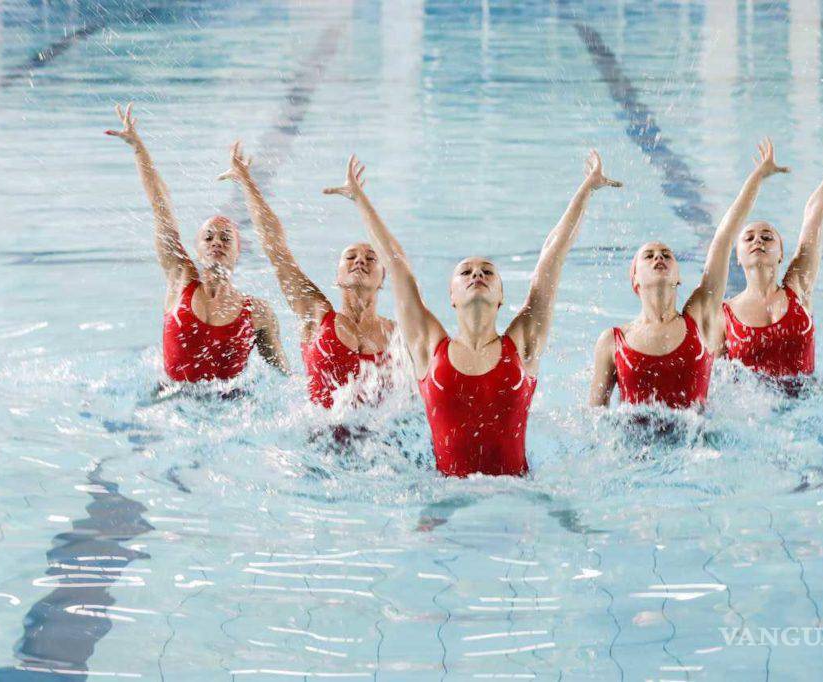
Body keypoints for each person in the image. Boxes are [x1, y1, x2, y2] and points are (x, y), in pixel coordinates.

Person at [324, 151, 621, 476]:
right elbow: (396, 263)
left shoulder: (523, 344)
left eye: (487, 272)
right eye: (465, 272)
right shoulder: (428, 347)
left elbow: (553, 254)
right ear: (452, 296)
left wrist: (586, 189)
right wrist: (359, 199)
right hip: (445, 494)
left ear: (501, 296)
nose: (477, 274)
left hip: (517, 494)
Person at [589, 139, 789, 409]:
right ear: (634, 279)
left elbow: (723, 238)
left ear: (679, 277)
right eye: (649, 256)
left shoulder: (700, 319)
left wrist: (757, 177)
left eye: (666, 254)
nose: (659, 257)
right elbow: (596, 417)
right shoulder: (612, 342)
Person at [105, 104, 288, 383]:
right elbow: (161, 207)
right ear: (197, 249)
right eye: (208, 237)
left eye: (226, 238)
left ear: (238, 251)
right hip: (170, 398)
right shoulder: (180, 281)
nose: (217, 242)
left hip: (232, 403)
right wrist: (138, 149)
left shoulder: (258, 313)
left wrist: (248, 183)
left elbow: (285, 377)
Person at [218, 142, 395, 408]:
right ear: (337, 277)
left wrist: (362, 202)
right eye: (350, 257)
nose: (360, 260)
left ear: (383, 278)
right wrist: (247, 181)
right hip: (316, 432)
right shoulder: (316, 315)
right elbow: (277, 250)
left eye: (371, 258)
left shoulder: (396, 336)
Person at [723, 124, 823, 383]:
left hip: (809, 400)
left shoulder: (798, 287)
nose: (758, 241)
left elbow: (814, 211)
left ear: (781, 254)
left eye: (767, 237)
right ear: (738, 256)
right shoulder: (724, 315)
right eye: (749, 237)